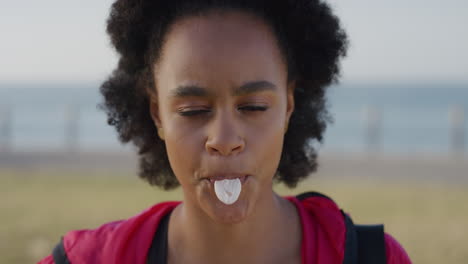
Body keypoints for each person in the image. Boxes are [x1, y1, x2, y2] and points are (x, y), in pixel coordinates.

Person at [39, 0, 411, 263]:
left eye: (254, 107)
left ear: (289, 106)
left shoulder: (372, 258)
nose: (225, 140)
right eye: (193, 110)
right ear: (157, 115)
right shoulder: (85, 261)